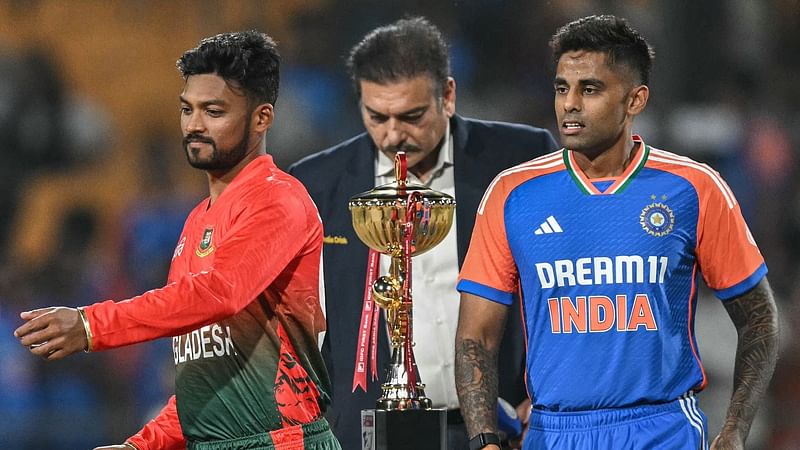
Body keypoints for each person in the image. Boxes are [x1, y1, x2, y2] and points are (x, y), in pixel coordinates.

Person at [454, 14, 779, 450]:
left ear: (635, 100)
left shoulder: (694, 188)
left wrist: (736, 430)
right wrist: (485, 440)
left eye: (589, 89)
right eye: (561, 88)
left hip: (664, 430)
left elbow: (760, 319)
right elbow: (476, 336)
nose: (569, 103)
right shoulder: (512, 194)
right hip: (554, 433)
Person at [14, 30, 341, 450]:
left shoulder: (278, 199)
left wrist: (92, 324)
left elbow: (220, 293)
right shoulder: (194, 224)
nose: (195, 125)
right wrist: (143, 444)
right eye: (187, 109)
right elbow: (204, 375)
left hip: (278, 442)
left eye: (214, 111)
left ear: (262, 118)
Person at [288, 17, 558, 450]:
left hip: (504, 428)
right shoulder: (316, 184)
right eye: (376, 116)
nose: (393, 134)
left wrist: (549, 395)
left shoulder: (521, 160)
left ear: (447, 96)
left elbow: (565, 284)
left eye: (411, 116)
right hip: (368, 434)